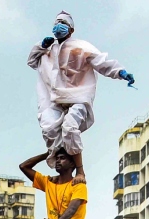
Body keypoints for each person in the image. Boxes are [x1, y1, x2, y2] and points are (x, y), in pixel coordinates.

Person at [26, 11, 133, 170]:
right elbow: (31, 61)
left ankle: (79, 169)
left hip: (78, 96)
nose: (59, 26)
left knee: (69, 127)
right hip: (54, 98)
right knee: (48, 129)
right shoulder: (46, 50)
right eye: (57, 23)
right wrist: (41, 46)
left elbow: (101, 61)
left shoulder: (80, 47)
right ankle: (60, 163)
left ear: (71, 30)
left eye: (63, 24)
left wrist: (120, 72)